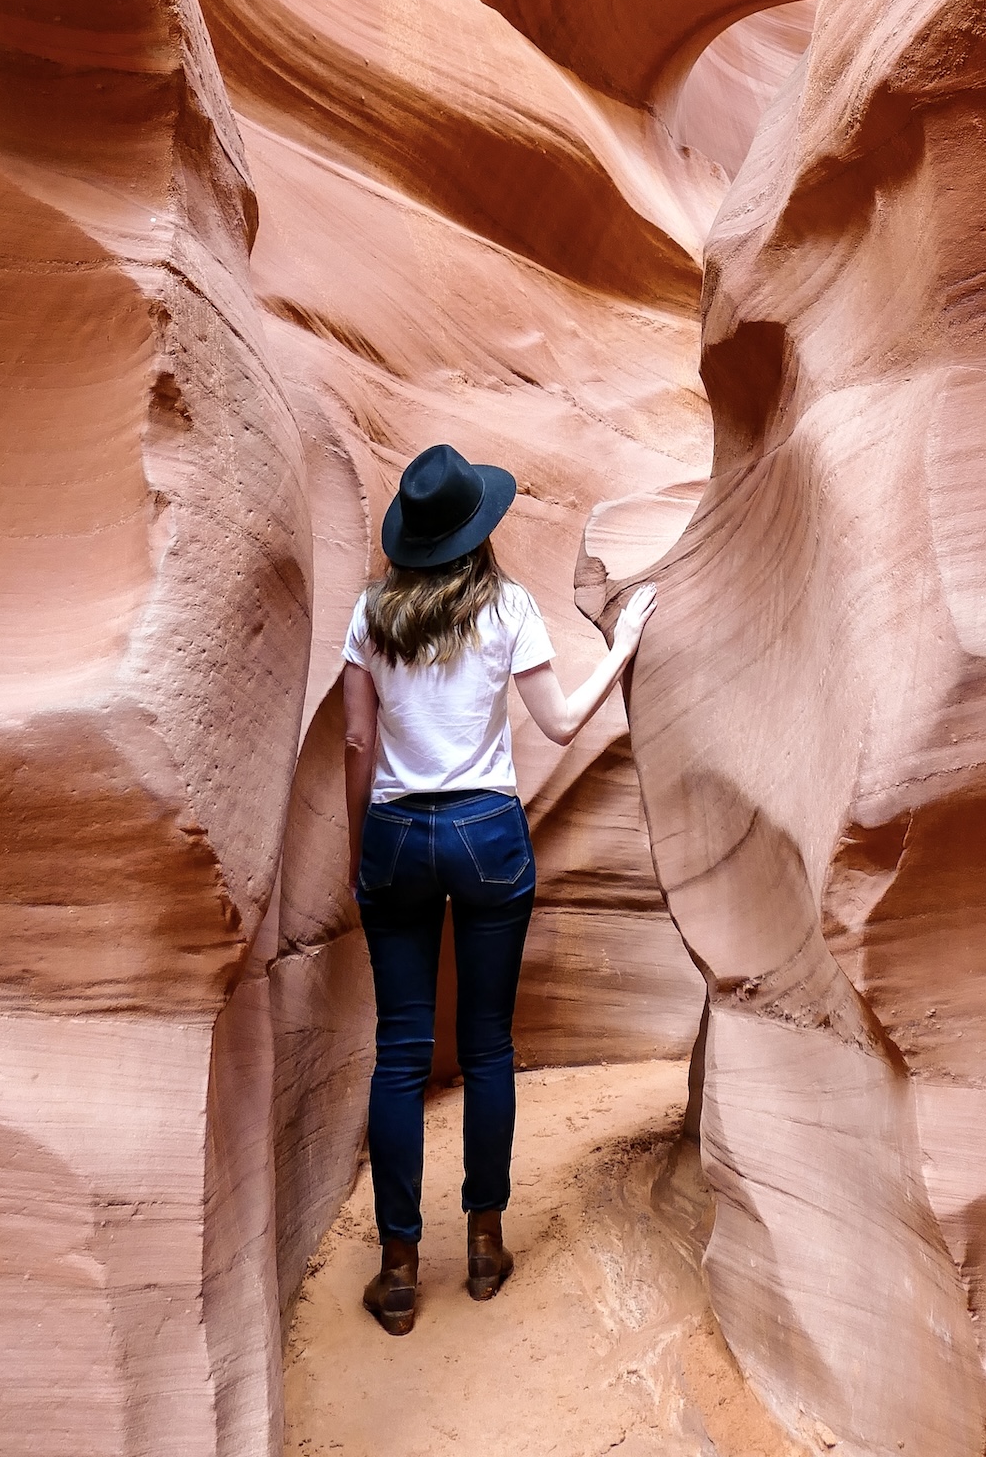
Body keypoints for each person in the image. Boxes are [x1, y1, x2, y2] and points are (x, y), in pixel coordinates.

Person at [341, 442, 655, 1335]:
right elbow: (557, 725)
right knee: (486, 1049)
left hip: (399, 834)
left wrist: (362, 846)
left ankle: (400, 1268)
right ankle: (484, 1245)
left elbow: (359, 746)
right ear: (475, 530)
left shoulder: (370, 615)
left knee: (401, 1054)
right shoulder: (507, 605)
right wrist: (624, 645)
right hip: (486, 833)